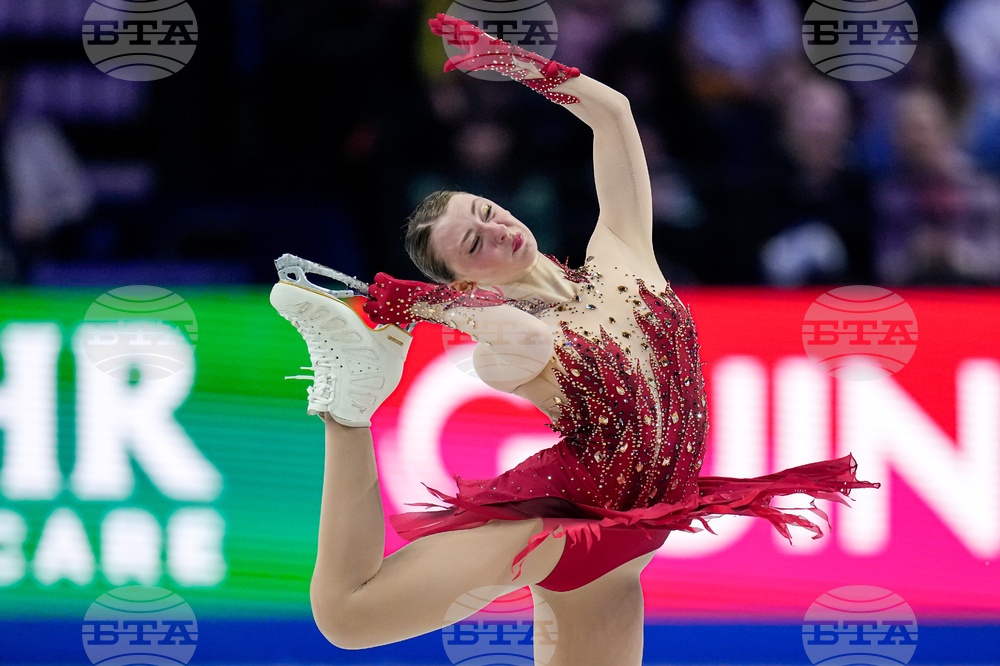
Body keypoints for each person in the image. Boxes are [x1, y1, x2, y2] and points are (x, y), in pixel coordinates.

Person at [269, 15, 879, 665]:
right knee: (347, 614)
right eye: (473, 243)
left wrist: (519, 66)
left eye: (486, 211)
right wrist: (421, 303)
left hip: (633, 537)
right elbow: (502, 329)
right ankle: (347, 406)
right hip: (569, 531)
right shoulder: (505, 341)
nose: (495, 230)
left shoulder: (620, 250)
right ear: (463, 278)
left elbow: (613, 116)